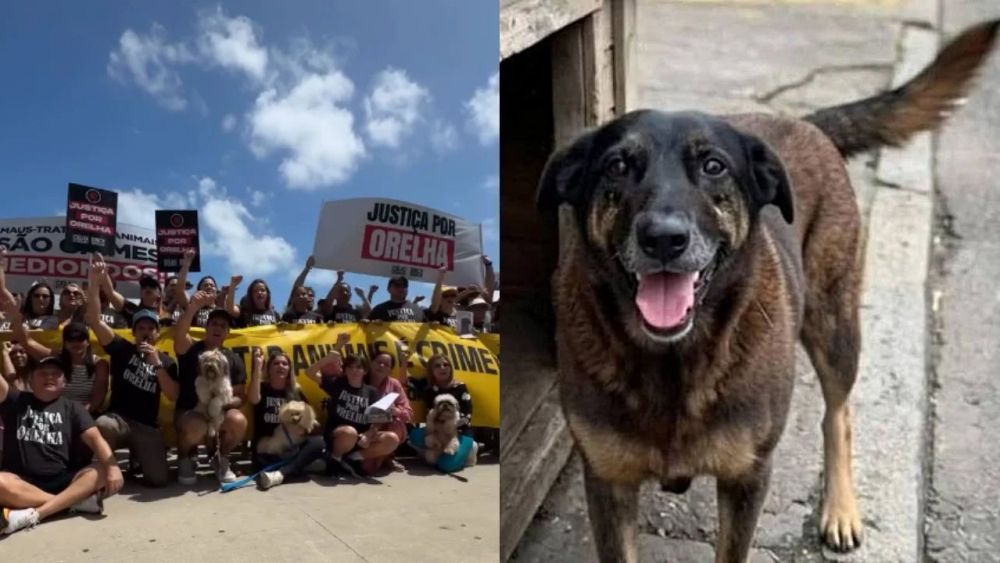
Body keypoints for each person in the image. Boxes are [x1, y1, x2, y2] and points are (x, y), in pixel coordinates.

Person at [0, 355, 123, 535]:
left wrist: (113, 468)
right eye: (42, 373)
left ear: (64, 383)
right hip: (22, 480)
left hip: (63, 478)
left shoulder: (73, 408)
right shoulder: (15, 400)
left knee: (101, 470)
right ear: (31, 380)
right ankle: (73, 503)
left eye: (56, 374)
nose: (49, 377)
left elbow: (96, 439)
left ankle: (34, 514)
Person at [85, 259, 178, 487]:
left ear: (157, 333)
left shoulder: (166, 361)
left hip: (146, 425)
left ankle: (139, 457)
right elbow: (95, 321)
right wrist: (95, 283)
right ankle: (107, 469)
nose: (145, 333)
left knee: (158, 480)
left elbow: (173, 395)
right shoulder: (121, 348)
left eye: (150, 329)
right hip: (119, 420)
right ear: (134, 332)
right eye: (141, 329)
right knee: (103, 425)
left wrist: (156, 364)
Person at [172, 290, 247, 484]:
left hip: (218, 412)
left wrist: (224, 403)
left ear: (227, 333)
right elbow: (179, 334)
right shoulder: (190, 348)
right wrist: (193, 308)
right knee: (197, 425)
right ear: (206, 327)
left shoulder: (234, 358)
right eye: (214, 323)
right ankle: (184, 458)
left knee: (238, 420)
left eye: (223, 326)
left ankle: (220, 459)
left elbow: (241, 396)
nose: (218, 328)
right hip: (189, 412)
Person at [2, 294, 108, 417]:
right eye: (71, 339)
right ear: (64, 342)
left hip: (84, 413)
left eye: (80, 339)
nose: (75, 343)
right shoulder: (57, 357)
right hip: (55, 411)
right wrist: (16, 315)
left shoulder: (99, 364)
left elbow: (98, 396)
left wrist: (79, 416)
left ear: (88, 342)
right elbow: (26, 341)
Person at [249, 349, 325, 489]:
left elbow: (310, 420)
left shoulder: (296, 392)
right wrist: (257, 369)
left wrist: (305, 428)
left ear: (289, 369)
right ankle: (294, 468)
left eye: (285, 364)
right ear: (269, 369)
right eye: (276, 363)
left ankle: (282, 473)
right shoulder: (261, 388)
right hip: (268, 449)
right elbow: (253, 399)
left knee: (319, 443)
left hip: (292, 447)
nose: (281, 366)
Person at [409, 353, 477, 473]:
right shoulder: (430, 390)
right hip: (436, 430)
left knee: (446, 466)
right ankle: (441, 453)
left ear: (450, 368)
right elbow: (429, 414)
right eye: (437, 366)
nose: (442, 368)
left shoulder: (460, 387)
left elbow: (467, 414)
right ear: (431, 370)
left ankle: (469, 448)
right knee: (415, 436)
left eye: (446, 365)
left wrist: (453, 423)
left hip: (459, 432)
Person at [361, 350, 412, 474]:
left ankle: (387, 457)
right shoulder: (359, 379)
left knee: (397, 423)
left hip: (385, 429)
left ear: (390, 369)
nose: (382, 366)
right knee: (366, 468)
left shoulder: (394, 384)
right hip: (362, 428)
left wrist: (395, 411)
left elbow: (408, 414)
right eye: (379, 362)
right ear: (371, 364)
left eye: (386, 364)